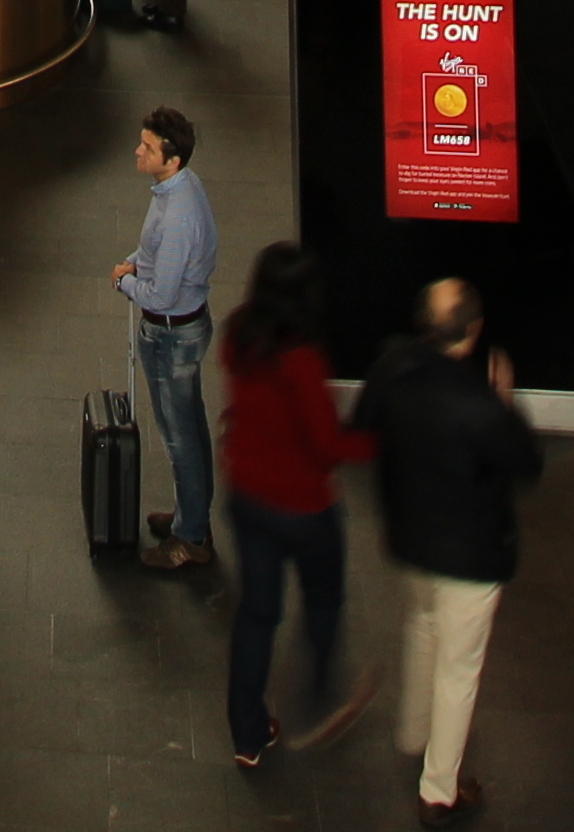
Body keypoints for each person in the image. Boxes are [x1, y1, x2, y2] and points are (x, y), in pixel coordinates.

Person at [358, 276, 540, 821]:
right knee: (459, 671)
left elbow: (365, 423)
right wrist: (504, 401)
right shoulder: (477, 404)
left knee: (422, 625)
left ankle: (413, 730)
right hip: (470, 556)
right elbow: (526, 463)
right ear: (474, 330)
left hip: (411, 540)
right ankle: (439, 789)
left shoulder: (392, 364)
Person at [218, 241, 369, 769]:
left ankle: (247, 734)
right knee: (324, 596)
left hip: (246, 495)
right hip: (303, 508)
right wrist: (375, 442)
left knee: (257, 614)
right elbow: (327, 445)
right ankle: (323, 678)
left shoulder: (239, 332)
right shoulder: (303, 362)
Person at [114, 105, 219, 571]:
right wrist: (137, 259)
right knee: (191, 429)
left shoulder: (177, 214)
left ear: (171, 159)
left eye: (148, 147)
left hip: (171, 336)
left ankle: (190, 538)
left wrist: (124, 282)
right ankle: (191, 517)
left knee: (180, 440)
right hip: (186, 326)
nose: (139, 151)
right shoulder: (179, 187)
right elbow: (156, 251)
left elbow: (160, 294)